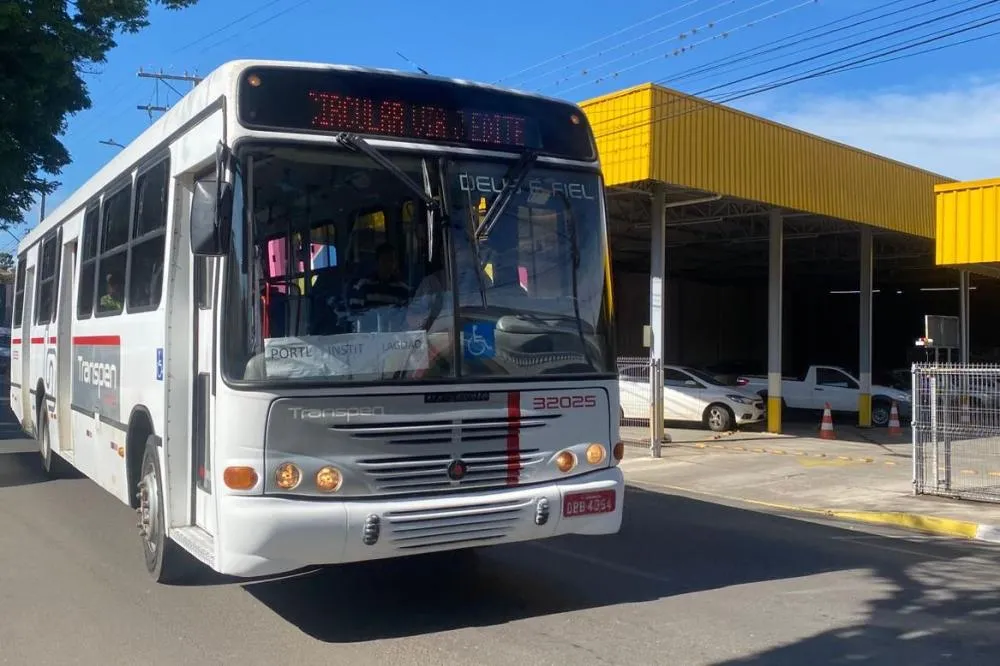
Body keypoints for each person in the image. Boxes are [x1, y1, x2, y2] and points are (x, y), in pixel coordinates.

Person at [348, 243, 411, 326]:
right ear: (377, 262)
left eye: (391, 260)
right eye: (384, 261)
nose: (388, 264)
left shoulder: (403, 289)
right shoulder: (362, 286)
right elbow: (355, 316)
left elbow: (407, 318)